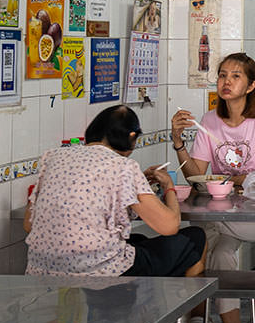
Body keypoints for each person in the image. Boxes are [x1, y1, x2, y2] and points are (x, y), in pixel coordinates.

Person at [171, 52, 255, 323]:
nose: (226, 81)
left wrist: (221, 181)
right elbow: (196, 176)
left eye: (235, 76)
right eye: (222, 75)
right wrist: (178, 142)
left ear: (251, 85)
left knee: (194, 239)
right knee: (213, 251)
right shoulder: (209, 121)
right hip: (222, 214)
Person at [26, 104, 206, 279]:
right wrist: (169, 187)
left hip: (42, 267)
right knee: (195, 237)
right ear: (132, 136)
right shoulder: (123, 166)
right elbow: (170, 226)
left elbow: (28, 224)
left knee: (139, 239)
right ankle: (187, 309)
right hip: (98, 271)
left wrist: (137, 182)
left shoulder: (53, 157)